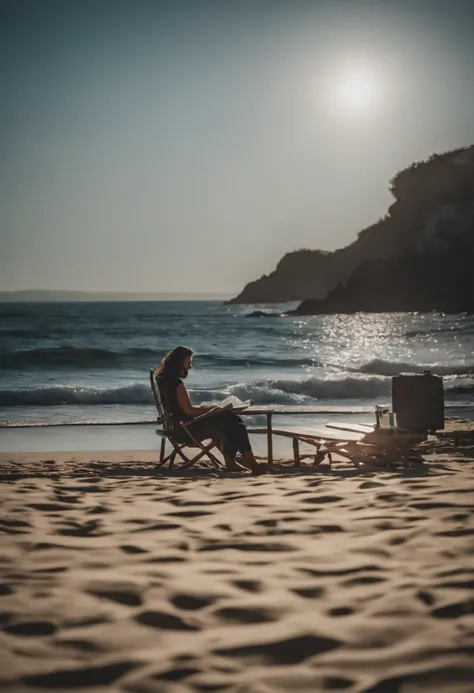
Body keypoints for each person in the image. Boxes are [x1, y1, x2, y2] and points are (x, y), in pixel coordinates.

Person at [154, 346, 271, 475]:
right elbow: (189, 411)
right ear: (178, 362)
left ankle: (233, 462)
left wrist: (209, 410)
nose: (190, 367)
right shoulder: (177, 384)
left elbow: (181, 409)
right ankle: (252, 465)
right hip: (185, 430)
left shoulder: (163, 381)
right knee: (234, 423)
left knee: (231, 421)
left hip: (176, 426)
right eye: (188, 363)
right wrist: (213, 409)